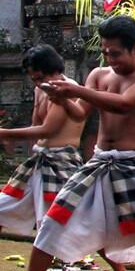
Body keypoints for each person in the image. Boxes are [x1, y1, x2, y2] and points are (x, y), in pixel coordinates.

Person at [27, 16, 135, 271]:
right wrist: (61, 98)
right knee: (53, 223)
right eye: (105, 52)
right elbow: (79, 114)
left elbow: (125, 104)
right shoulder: (99, 74)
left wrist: (75, 91)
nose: (110, 59)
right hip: (99, 161)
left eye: (116, 54)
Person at [0, 45, 84, 236]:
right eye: (34, 79)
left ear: (54, 70)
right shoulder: (40, 90)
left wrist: (5, 133)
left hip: (62, 164)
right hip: (39, 161)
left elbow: (49, 129)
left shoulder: (67, 89)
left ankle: (118, 264)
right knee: (3, 206)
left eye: (40, 77)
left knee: (67, 221)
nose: (38, 83)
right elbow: (36, 128)